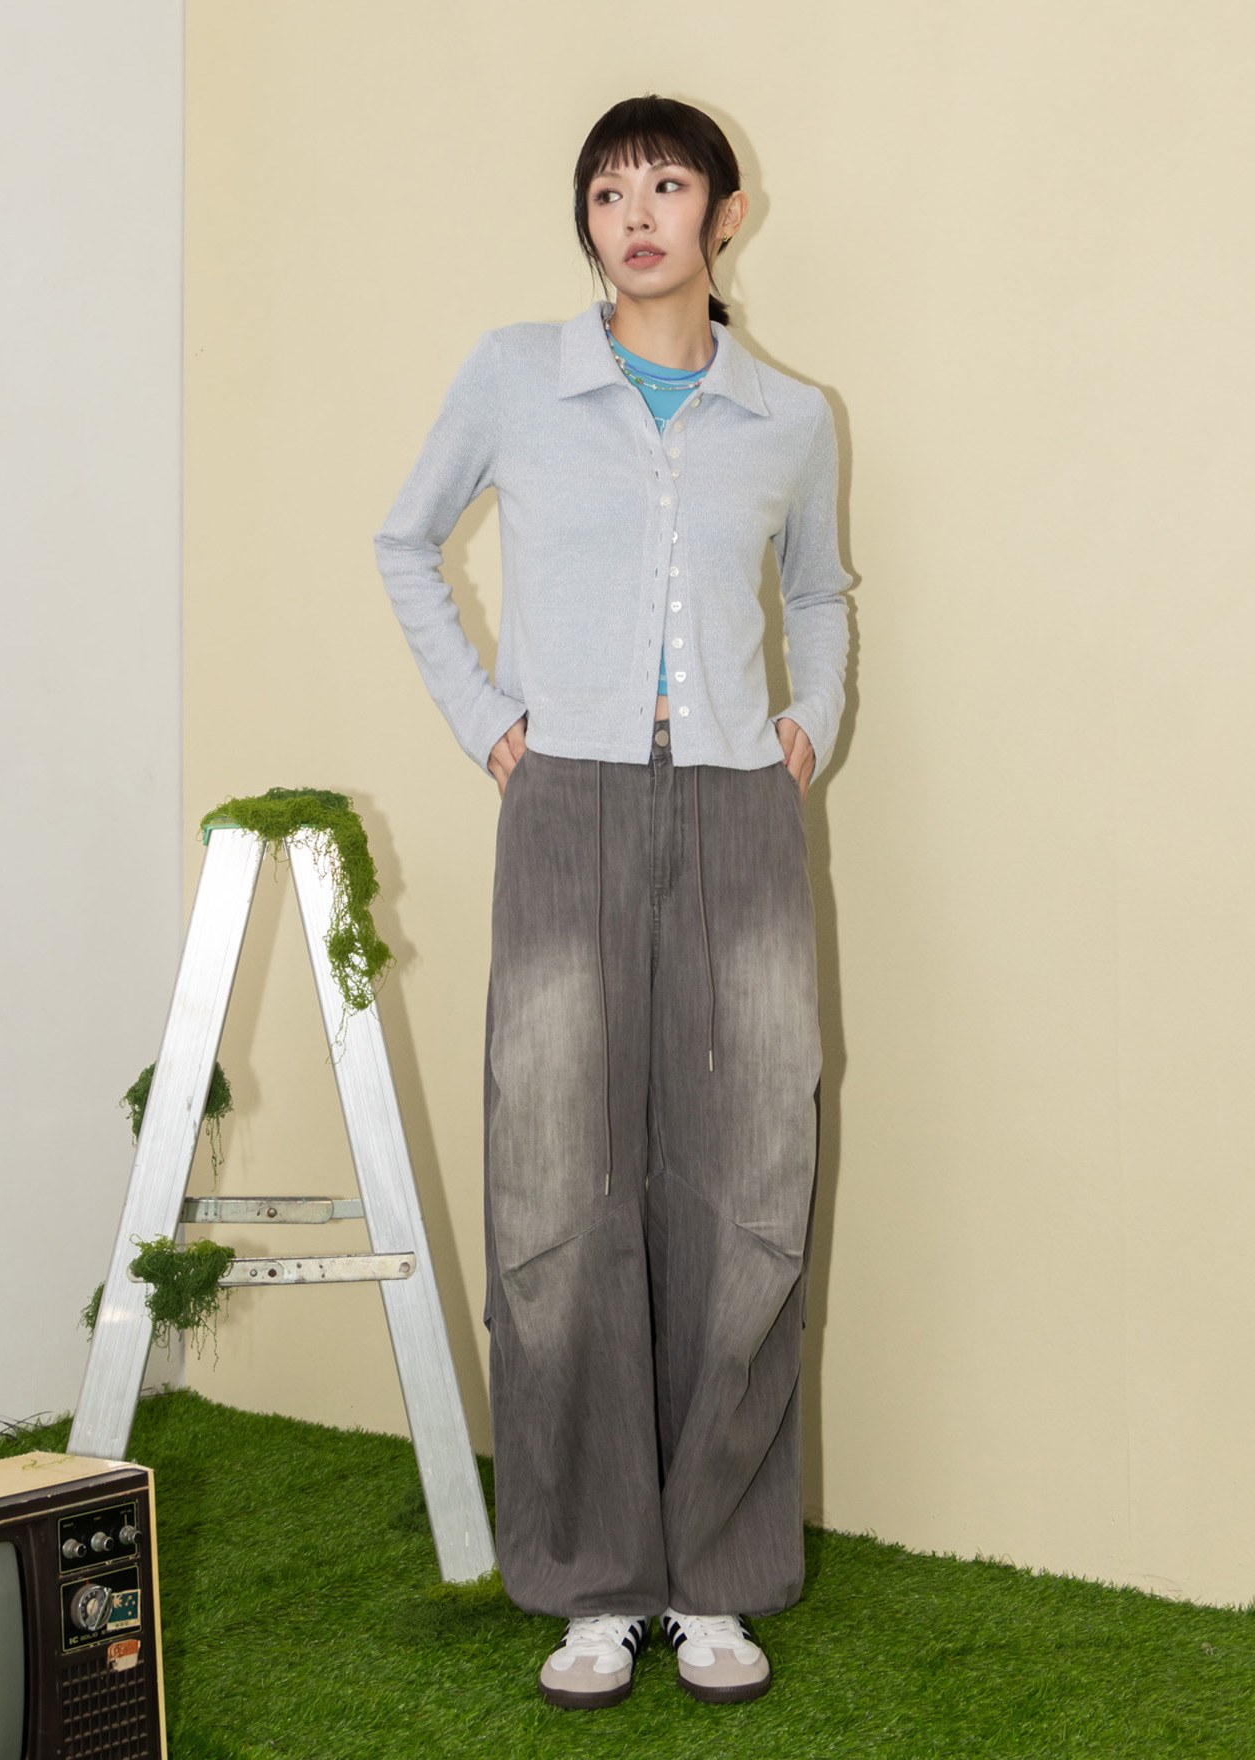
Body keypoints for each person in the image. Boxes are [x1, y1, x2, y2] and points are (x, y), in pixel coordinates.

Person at [372, 92, 852, 1710]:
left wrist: (807, 721)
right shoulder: (519, 374)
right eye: (605, 191)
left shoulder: (789, 417)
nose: (634, 215)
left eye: (665, 184)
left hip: (737, 808)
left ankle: (715, 1576)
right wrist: (487, 719)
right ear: (585, 222)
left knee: (754, 1171)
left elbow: (820, 590)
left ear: (725, 213)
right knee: (555, 1183)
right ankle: (590, 1579)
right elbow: (404, 541)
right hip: (564, 798)